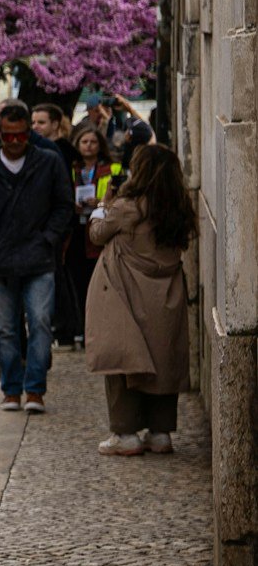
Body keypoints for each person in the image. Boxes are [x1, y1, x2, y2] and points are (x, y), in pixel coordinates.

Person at [84, 142, 195, 456]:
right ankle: (161, 434)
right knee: (163, 362)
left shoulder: (127, 207)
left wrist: (101, 208)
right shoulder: (177, 208)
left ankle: (126, 433)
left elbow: (97, 234)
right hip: (166, 295)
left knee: (124, 364)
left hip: (128, 294)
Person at [0, 100, 72, 413]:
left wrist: (48, 239)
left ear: (28, 134)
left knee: (40, 322)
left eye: (20, 136)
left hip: (38, 258)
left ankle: (35, 389)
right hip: (0, 260)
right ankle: (11, 389)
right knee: (6, 327)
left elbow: (63, 206)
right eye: (8, 137)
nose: (14, 143)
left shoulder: (48, 162)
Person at [58, 124, 125, 348]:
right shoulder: (69, 168)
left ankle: (97, 331)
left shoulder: (112, 168)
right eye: (84, 142)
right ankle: (79, 329)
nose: (88, 146)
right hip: (76, 233)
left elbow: (123, 194)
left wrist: (101, 203)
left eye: (93, 142)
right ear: (77, 144)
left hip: (100, 228)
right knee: (77, 283)